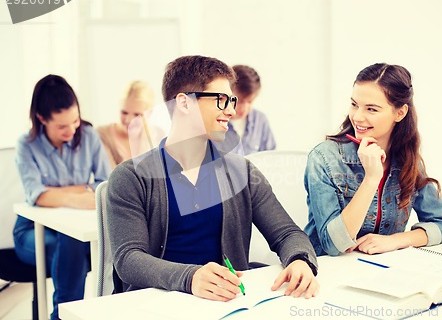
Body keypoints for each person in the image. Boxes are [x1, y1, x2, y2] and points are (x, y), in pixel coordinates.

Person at [106, 55, 319, 301]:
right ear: (184, 103)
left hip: (226, 303)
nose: (231, 110)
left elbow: (287, 234)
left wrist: (300, 260)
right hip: (156, 304)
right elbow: (129, 259)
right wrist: (191, 277)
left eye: (231, 100)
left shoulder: (243, 173)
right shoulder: (131, 177)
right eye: (220, 100)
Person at [304, 63, 442, 257]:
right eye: (354, 105)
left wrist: (395, 241)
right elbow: (332, 245)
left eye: (371, 109)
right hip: (326, 270)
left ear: (400, 113)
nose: (357, 117)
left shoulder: (407, 159)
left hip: (380, 271)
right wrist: (371, 178)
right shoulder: (324, 158)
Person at [14, 74, 111, 319]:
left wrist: (55, 193)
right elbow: (36, 195)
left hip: (75, 232)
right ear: (42, 118)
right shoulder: (27, 145)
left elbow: (103, 185)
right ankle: (65, 314)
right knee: (71, 244)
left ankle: (63, 314)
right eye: (61, 126)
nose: (71, 130)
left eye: (75, 120)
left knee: (75, 242)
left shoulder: (89, 136)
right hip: (32, 232)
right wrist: (78, 194)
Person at [97, 80, 155, 168]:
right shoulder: (102, 134)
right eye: (124, 112)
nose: (128, 120)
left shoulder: (155, 136)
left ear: (149, 114)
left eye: (137, 115)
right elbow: (109, 177)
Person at [225, 65, 276, 155]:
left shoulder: (260, 121)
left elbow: (270, 158)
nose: (244, 108)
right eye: (239, 101)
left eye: (249, 101)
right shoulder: (215, 122)